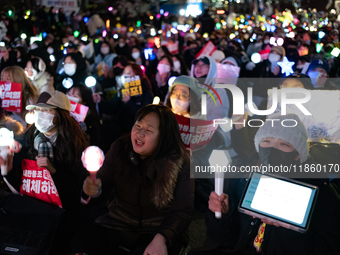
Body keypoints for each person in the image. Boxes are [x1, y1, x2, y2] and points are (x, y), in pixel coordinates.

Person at [194, 114, 340, 255]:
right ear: (259, 146)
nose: (272, 149)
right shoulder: (243, 181)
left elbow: (329, 248)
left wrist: (288, 229)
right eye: (266, 141)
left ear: (298, 154)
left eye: (284, 144)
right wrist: (221, 215)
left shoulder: (322, 195)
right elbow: (223, 238)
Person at [72, 104, 194, 255]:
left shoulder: (180, 161)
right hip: (118, 223)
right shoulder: (120, 148)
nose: (139, 133)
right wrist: (93, 191)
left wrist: (162, 237)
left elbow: (183, 210)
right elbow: (101, 189)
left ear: (164, 136)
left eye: (148, 130)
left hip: (157, 228)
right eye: (138, 125)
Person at [2, 90, 89, 254]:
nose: (41, 114)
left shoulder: (76, 146)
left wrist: (54, 172)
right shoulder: (28, 140)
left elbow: (77, 195)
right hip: (33, 217)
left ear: (60, 115)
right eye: (38, 110)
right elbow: (20, 185)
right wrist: (8, 170)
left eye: (46, 110)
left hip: (61, 220)